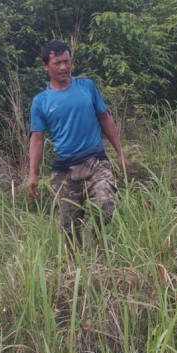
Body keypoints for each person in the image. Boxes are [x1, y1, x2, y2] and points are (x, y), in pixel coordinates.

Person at [27, 40, 128, 237]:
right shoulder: (40, 102)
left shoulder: (86, 87)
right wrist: (33, 174)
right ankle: (75, 263)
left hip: (96, 161)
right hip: (64, 169)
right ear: (46, 66)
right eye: (57, 63)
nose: (64, 67)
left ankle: (97, 240)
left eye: (67, 61)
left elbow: (105, 118)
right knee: (69, 228)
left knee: (107, 209)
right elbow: (37, 139)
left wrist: (120, 153)